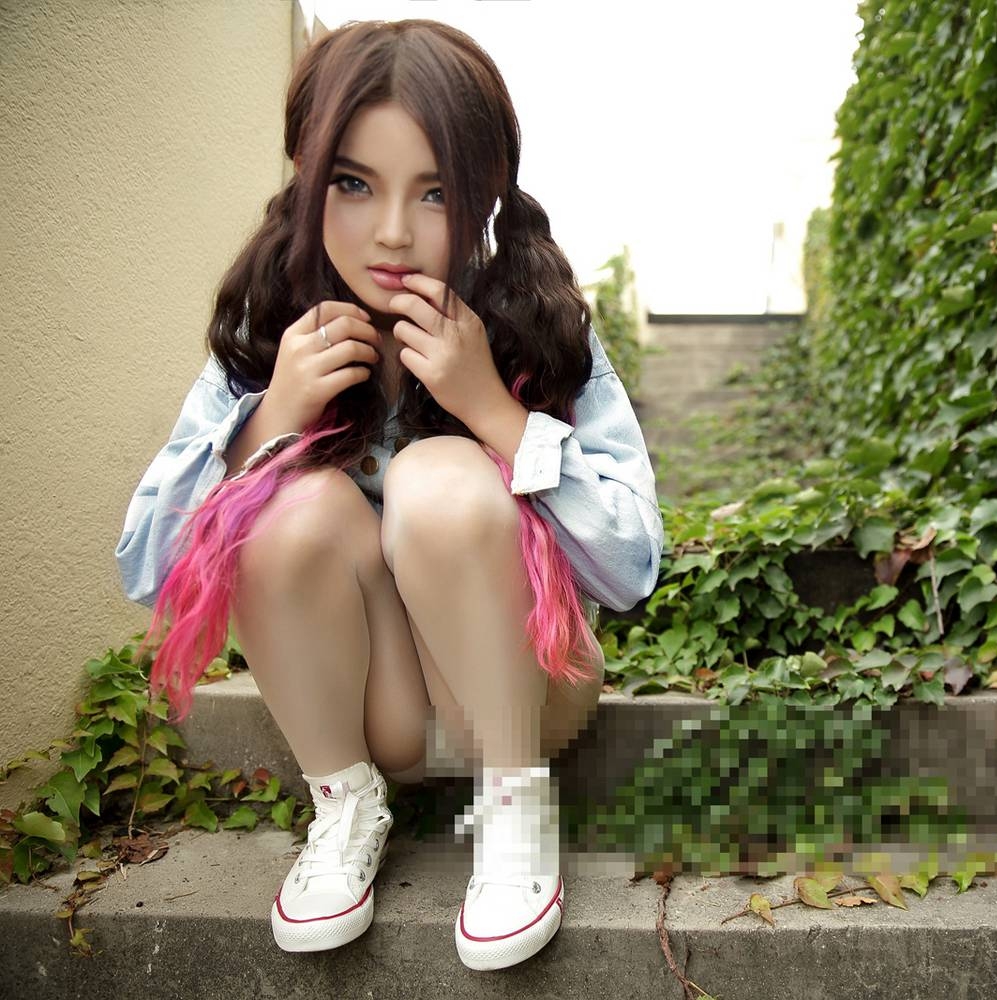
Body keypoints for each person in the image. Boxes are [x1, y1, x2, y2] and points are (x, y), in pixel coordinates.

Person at [113, 19, 662, 971]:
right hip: (380, 715)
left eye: (436, 192)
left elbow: (630, 565)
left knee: (437, 474)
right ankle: (345, 807)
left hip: (528, 694)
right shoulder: (268, 332)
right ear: (305, 171)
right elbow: (148, 569)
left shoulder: (535, 322)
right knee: (288, 505)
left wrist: (493, 412)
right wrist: (270, 417)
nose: (395, 231)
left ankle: (514, 807)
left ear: (488, 190)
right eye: (354, 184)